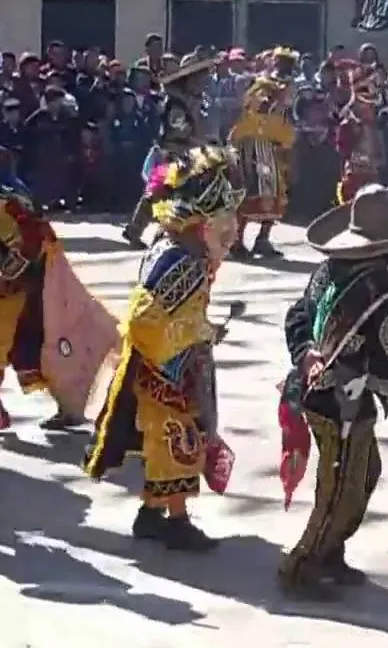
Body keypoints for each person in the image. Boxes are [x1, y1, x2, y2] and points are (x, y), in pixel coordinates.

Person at [277, 183, 388, 600]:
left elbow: (296, 316)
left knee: (364, 471)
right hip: (341, 402)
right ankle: (302, 565)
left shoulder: (328, 269)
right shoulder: (381, 292)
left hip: (318, 389)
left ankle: (331, 550)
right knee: (341, 487)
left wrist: (305, 356)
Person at [84, 145, 244, 552]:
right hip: (164, 367)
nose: (232, 229)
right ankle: (175, 520)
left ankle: (153, 513)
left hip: (174, 361)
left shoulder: (185, 251)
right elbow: (143, 318)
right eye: (225, 220)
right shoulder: (183, 261)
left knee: (172, 439)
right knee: (178, 439)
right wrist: (194, 336)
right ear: (202, 222)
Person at [0, 175, 118, 431]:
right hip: (24, 277)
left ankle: (70, 407)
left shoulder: (5, 206)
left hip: (32, 278)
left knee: (49, 339)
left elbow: (29, 244)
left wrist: (6, 279)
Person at [121, 55, 215, 248]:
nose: (202, 83)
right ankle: (136, 230)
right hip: (173, 154)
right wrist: (200, 139)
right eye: (198, 79)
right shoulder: (176, 104)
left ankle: (180, 234)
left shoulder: (196, 101)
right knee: (157, 195)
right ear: (188, 80)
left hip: (189, 155)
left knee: (187, 198)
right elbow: (180, 129)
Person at [230, 47, 298, 258]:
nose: (284, 70)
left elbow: (286, 114)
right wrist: (274, 96)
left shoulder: (287, 86)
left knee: (277, 191)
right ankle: (236, 241)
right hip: (254, 143)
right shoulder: (262, 84)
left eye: (289, 66)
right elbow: (256, 108)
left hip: (275, 143)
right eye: (281, 65)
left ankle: (263, 239)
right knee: (251, 191)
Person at [334, 76, 385, 204]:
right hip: (354, 179)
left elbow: (380, 155)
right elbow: (342, 156)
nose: (371, 108)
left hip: (372, 179)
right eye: (367, 104)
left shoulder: (374, 127)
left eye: (372, 105)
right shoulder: (347, 126)